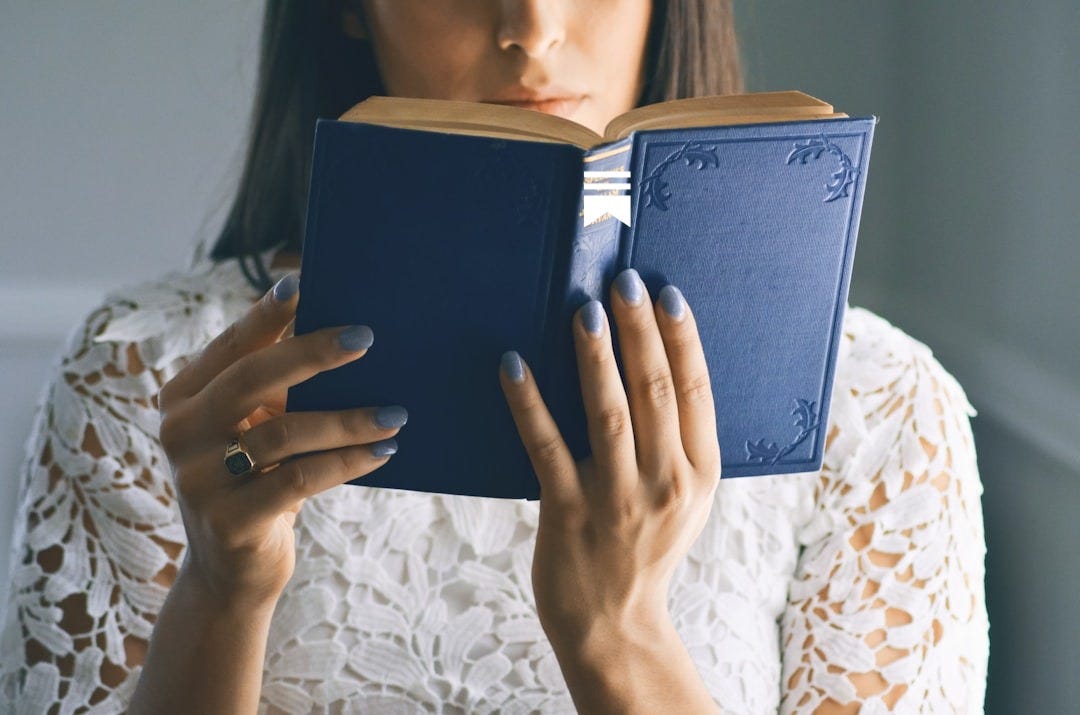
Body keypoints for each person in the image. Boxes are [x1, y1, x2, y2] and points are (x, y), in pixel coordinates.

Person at [0, 1, 990, 712]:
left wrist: (619, 632)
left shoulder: (872, 405)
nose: (531, 23)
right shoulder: (148, 374)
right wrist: (222, 587)